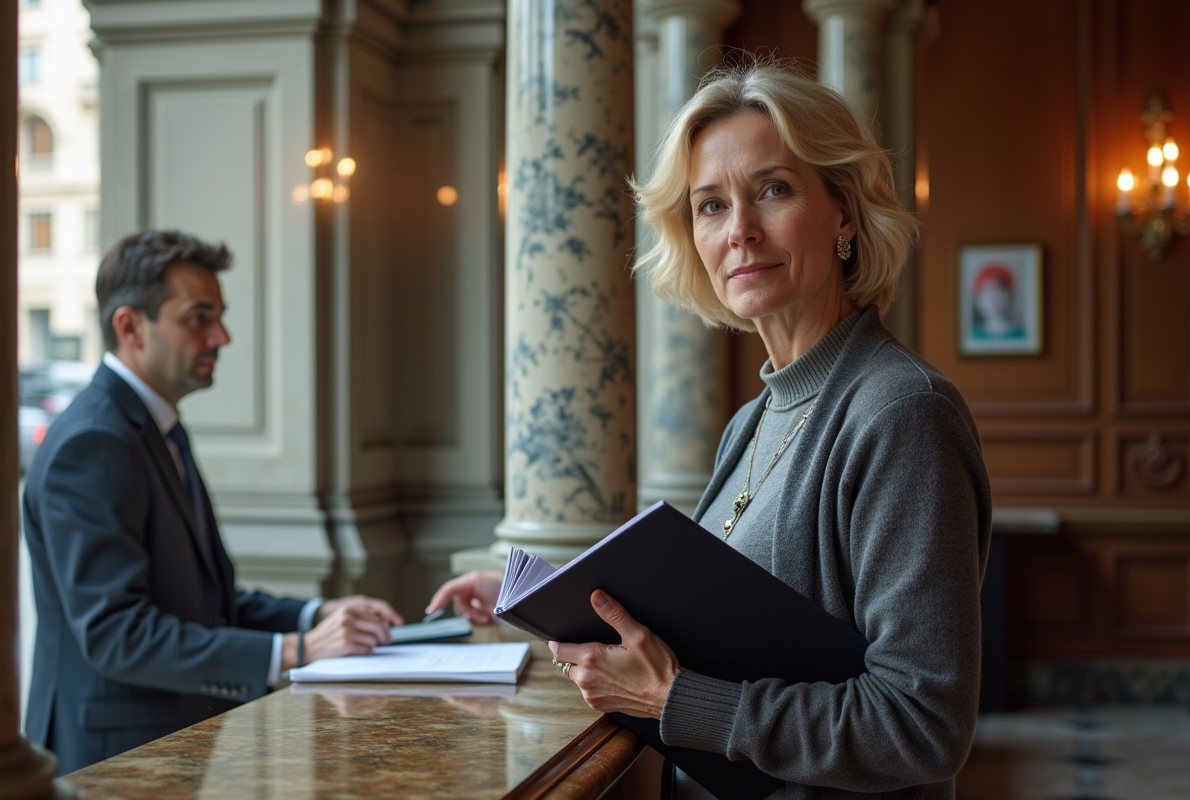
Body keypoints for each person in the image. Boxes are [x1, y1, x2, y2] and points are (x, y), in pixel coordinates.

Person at [428, 62, 991, 800]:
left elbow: (921, 725)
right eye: (709, 206)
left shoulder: (901, 412)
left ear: (844, 213)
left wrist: (677, 701)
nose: (740, 231)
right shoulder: (749, 424)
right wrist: (546, 604)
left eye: (774, 190)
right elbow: (721, 638)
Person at [22, 230, 404, 774]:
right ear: (130, 326)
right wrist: (300, 649)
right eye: (198, 317)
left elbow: (202, 600)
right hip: (110, 764)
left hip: (160, 749)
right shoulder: (96, 442)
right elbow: (117, 634)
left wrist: (316, 613)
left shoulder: (155, 428)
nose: (221, 336)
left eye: (219, 316)